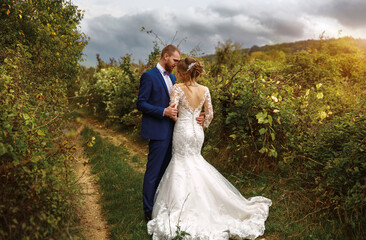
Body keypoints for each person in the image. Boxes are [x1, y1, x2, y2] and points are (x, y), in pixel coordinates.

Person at [147, 57, 272, 240]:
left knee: (181, 164)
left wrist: (180, 119)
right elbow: (210, 115)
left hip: (183, 130)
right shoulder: (205, 90)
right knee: (196, 162)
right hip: (198, 132)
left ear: (183, 72)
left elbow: (173, 112)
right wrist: (202, 122)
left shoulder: (178, 88)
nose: (177, 75)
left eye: (179, 72)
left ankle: (184, 207)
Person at [137, 45, 204, 222]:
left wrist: (197, 115)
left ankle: (163, 205)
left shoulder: (174, 77)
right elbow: (141, 103)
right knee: (153, 172)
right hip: (158, 131)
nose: (176, 63)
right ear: (165, 56)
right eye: (174, 60)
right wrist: (162, 111)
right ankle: (148, 210)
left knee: (169, 172)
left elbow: (182, 104)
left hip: (176, 133)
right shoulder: (149, 76)